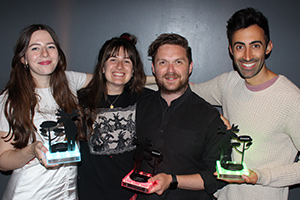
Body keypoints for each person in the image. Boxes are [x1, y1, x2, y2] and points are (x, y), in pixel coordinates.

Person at [190, 7, 300, 200]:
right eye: (240, 46)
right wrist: (140, 79)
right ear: (231, 50)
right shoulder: (228, 83)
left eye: (255, 45)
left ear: (268, 47)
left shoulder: (291, 98)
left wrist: (260, 176)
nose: (247, 56)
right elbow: (182, 88)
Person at [0, 24, 92, 199]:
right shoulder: (10, 99)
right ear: (23, 58)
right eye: (35, 48)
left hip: (67, 192)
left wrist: (158, 79)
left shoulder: (68, 81)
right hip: (29, 193)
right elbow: (3, 161)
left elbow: (111, 78)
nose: (45, 53)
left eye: (50, 46)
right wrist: (31, 151)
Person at [135, 33, 227, 200]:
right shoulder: (141, 106)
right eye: (163, 62)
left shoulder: (209, 116)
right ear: (154, 69)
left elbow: (216, 177)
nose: (171, 70)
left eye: (178, 62)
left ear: (190, 67)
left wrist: (172, 180)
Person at [77, 33, 153, 200]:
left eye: (126, 61)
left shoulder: (145, 99)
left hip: (129, 194)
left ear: (133, 70)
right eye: (113, 59)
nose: (119, 66)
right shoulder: (80, 99)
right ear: (102, 67)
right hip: (90, 193)